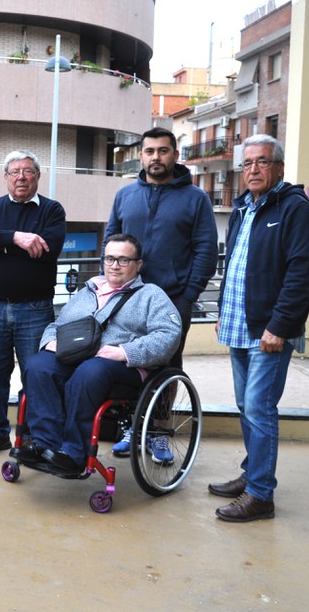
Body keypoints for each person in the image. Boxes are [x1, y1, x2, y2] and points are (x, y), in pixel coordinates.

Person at [211, 134, 309, 522]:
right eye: (247, 163)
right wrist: (222, 309)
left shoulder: (294, 208)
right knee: (246, 405)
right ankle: (251, 472)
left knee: (259, 407)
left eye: (262, 161)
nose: (253, 169)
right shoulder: (242, 208)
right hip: (240, 322)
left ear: (279, 168)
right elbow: (234, 265)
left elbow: (301, 274)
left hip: (269, 330)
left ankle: (260, 495)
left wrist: (280, 326)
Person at [17, 233, 181, 473]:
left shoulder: (151, 295)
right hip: (78, 358)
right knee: (39, 366)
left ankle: (73, 453)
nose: (115, 265)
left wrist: (124, 351)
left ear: (138, 264)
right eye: (110, 259)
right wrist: (51, 342)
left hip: (123, 366)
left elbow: (169, 335)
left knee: (90, 373)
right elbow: (58, 324)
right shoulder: (87, 291)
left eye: (123, 260)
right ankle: (45, 444)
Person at [105, 127, 218, 458]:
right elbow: (110, 241)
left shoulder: (195, 199)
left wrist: (188, 295)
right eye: (150, 151)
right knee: (126, 361)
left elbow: (206, 250)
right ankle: (130, 426)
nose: (156, 157)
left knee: (165, 365)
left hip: (173, 300)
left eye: (163, 151)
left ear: (175, 155)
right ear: (141, 155)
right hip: (127, 299)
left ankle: (157, 433)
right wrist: (111, 285)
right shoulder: (125, 196)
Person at [0, 150, 66, 458]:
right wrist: (17, 238)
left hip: (35, 309)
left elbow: (47, 250)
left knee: (34, 374)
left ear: (38, 176)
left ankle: (32, 436)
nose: (21, 177)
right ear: (6, 177)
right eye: (15, 172)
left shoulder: (52, 210)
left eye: (28, 171)